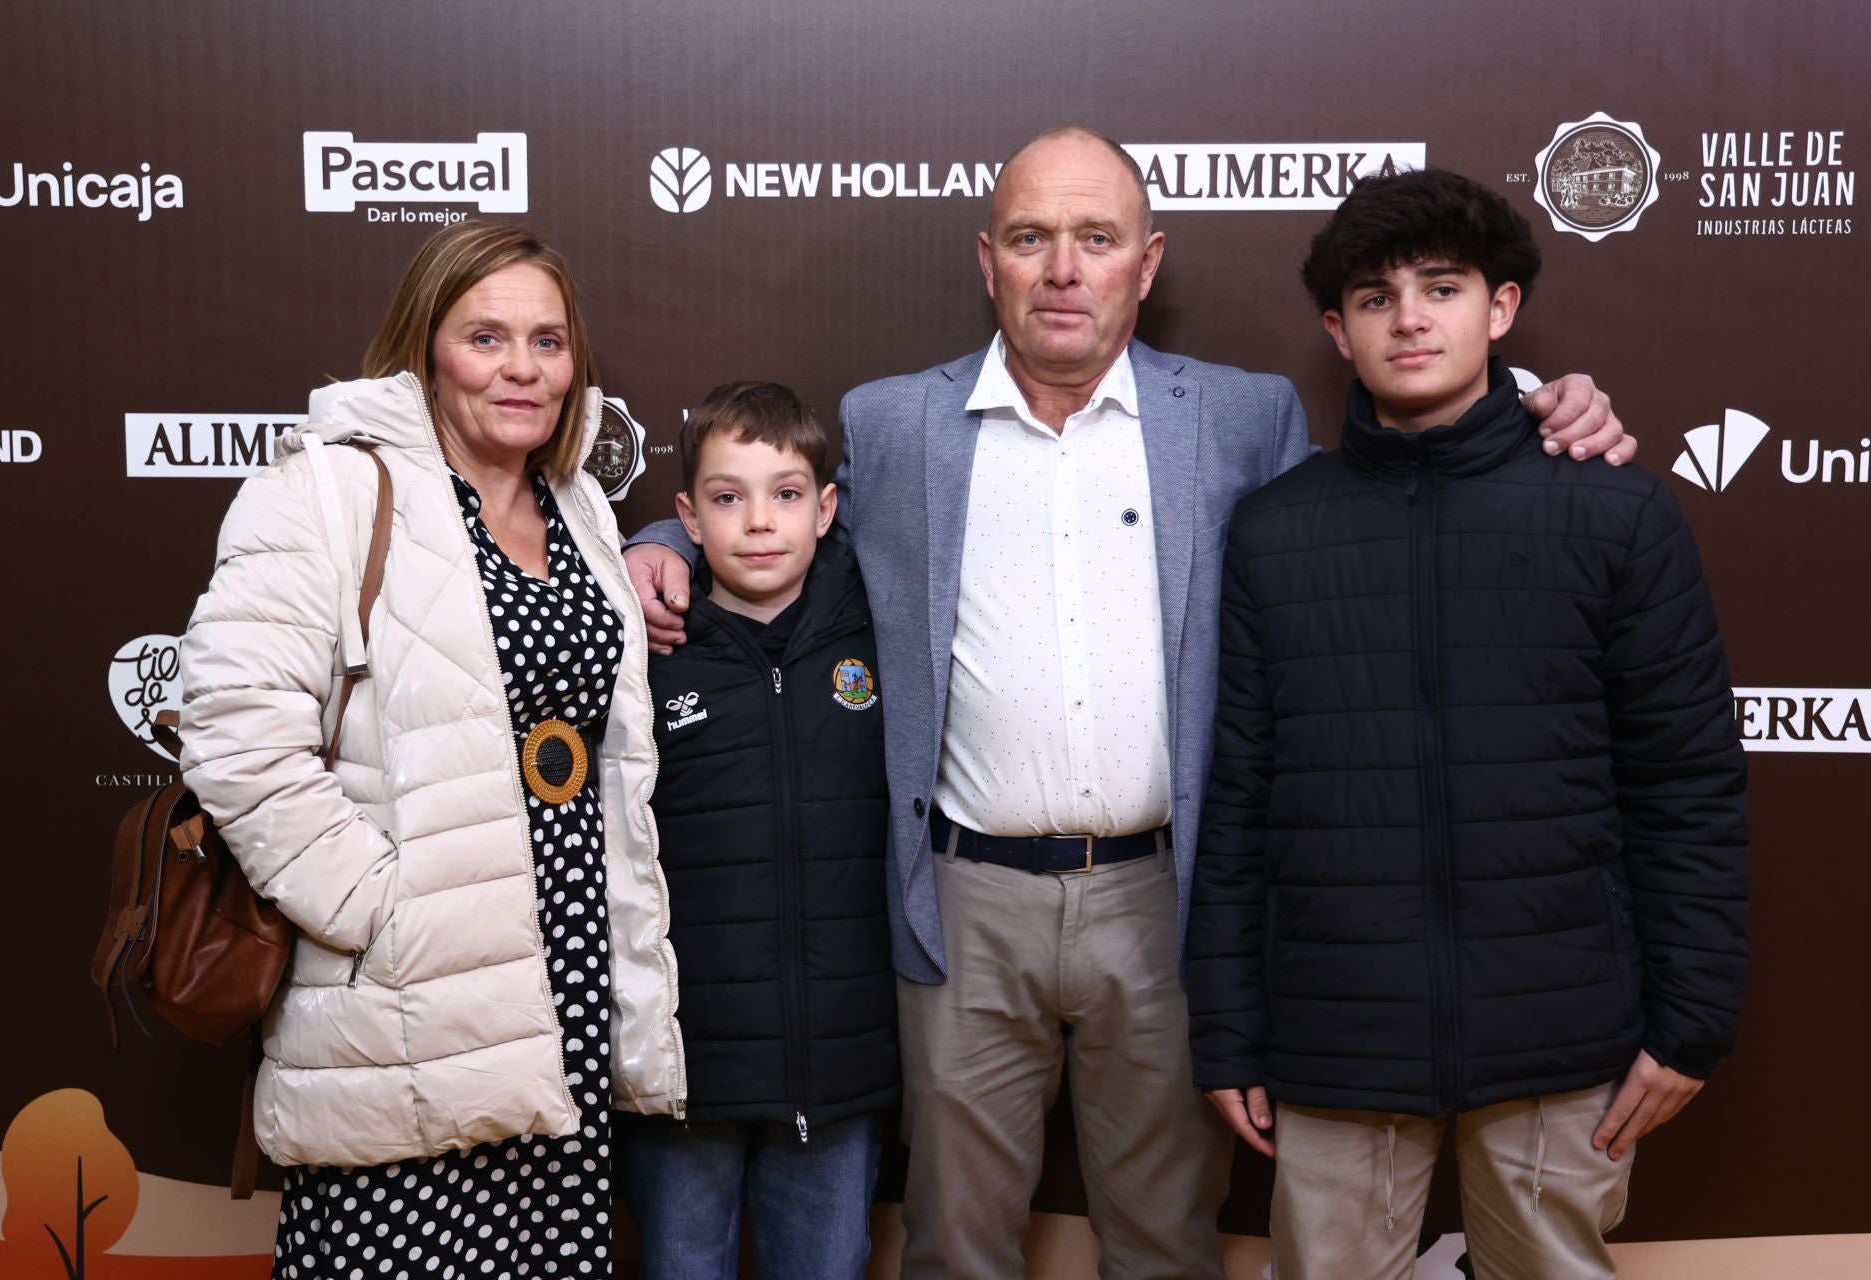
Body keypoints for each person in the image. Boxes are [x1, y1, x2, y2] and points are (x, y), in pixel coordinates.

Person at [624, 128, 1638, 1279]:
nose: (1063, 268)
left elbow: (1388, 485)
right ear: (987, 260)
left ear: (1145, 265)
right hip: (961, 904)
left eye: (1095, 239)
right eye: (1031, 238)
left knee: (1164, 1239)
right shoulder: (896, 423)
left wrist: (1537, 401)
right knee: (954, 1238)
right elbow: (777, 514)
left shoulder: (1241, 418)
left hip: (1167, 896)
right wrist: (661, 543)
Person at [1186, 168, 1748, 1279]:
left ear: (1499, 309)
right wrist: (1227, 1025)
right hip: (1340, 1034)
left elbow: (1686, 780)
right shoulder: (1274, 531)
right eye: (1374, 297)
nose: (1409, 318)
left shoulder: (1616, 511)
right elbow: (1243, 791)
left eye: (1441, 287)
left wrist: (1692, 1019)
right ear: (1337, 332)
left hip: (1565, 1030)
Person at [178, 221, 684, 1279]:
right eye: (487, 337)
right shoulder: (328, 491)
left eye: (549, 341)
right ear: (425, 345)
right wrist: (373, 907)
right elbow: (232, 726)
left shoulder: (580, 503)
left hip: (563, 983)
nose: (523, 368)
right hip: (404, 987)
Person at [616, 381, 898, 1279]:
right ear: (687, 518)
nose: (759, 523)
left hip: (838, 1058)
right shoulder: (647, 651)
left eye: (785, 495)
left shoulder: (879, 625)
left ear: (826, 509)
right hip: (684, 1069)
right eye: (727, 497)